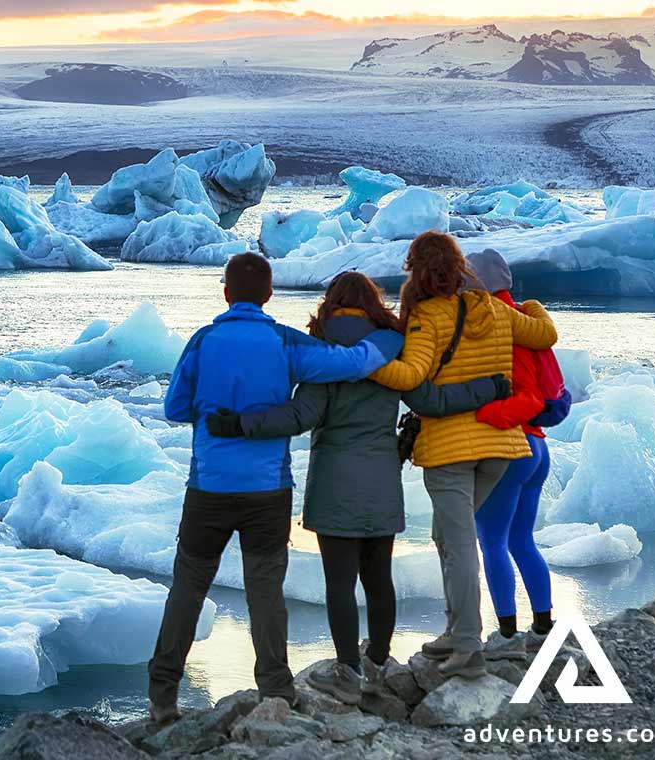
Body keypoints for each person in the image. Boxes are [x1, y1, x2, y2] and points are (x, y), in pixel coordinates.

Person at [206, 271, 508, 704]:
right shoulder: (392, 348)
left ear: (330, 302)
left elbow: (298, 416)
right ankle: (380, 662)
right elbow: (434, 402)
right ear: (373, 303)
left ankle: (347, 670)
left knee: (340, 581)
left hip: (334, 482)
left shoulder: (324, 353)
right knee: (378, 575)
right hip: (382, 476)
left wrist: (240, 423)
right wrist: (490, 386)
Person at [147, 252, 399, 723]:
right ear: (268, 295)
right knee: (265, 593)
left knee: (187, 589)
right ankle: (276, 690)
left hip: (209, 489)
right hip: (267, 491)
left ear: (226, 293)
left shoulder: (204, 341)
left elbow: (175, 408)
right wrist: (391, 339)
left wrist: (213, 408)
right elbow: (350, 363)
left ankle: (163, 698)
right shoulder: (284, 343)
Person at [367, 232, 557, 679]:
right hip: (501, 448)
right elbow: (544, 333)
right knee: (444, 535)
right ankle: (456, 631)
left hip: (451, 449)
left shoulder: (426, 316)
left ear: (417, 270)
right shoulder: (493, 308)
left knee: (459, 544)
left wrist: (364, 362)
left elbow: (412, 374)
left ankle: (469, 648)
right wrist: (527, 304)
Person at [465, 249, 559, 655]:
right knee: (523, 539)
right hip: (539, 446)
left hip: (510, 444)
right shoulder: (531, 322)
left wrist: (482, 412)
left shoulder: (489, 326)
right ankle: (543, 622)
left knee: (493, 542)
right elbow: (549, 391)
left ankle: (505, 634)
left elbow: (521, 392)